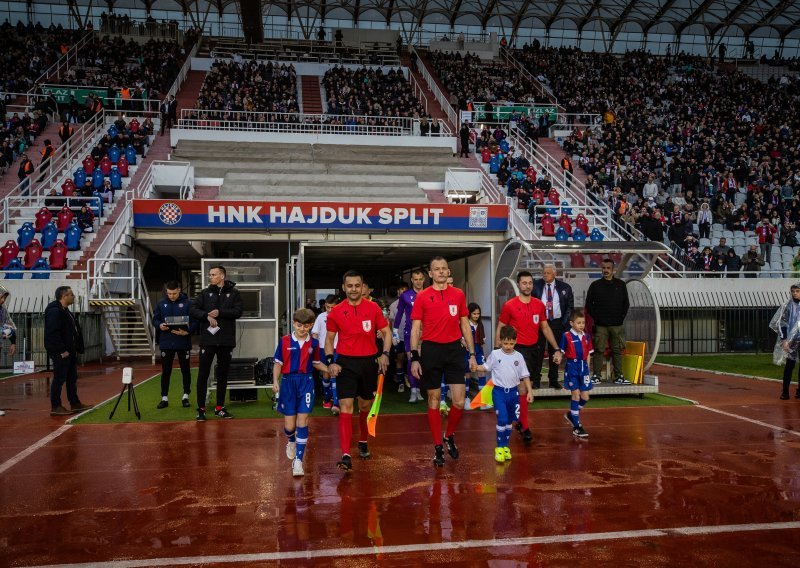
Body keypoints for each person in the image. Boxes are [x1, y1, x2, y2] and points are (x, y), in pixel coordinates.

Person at [410, 256, 477, 467]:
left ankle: (449, 435)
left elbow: (465, 325)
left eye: (444, 269)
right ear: (430, 274)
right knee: (434, 399)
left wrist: (473, 353)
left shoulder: (457, 294)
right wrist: (415, 356)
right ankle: (438, 445)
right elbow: (415, 329)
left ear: (448, 272)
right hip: (431, 350)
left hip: (454, 350)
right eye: (436, 269)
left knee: (458, 401)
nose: (440, 272)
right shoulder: (422, 296)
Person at [325, 270, 391, 471]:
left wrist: (385, 354)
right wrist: (330, 361)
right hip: (345, 363)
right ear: (343, 287)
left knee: (364, 407)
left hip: (368, 363)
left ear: (363, 287)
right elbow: (329, 340)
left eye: (357, 285)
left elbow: (387, 333)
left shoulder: (373, 308)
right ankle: (345, 454)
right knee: (346, 407)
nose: (354, 289)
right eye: (349, 286)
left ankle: (363, 441)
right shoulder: (336, 311)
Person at [496, 270, 563, 443]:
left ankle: (518, 419)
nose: (527, 286)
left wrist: (556, 347)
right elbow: (501, 327)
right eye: (524, 283)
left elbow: (545, 327)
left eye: (530, 283)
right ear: (518, 285)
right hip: (516, 351)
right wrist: (497, 351)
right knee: (522, 389)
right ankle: (525, 427)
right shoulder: (509, 305)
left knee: (528, 387)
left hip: (535, 350)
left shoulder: (539, 305)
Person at [273, 308, 329, 477]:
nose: (302, 329)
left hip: (306, 382)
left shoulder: (313, 344)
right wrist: (275, 381)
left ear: (311, 326)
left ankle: (298, 461)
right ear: (293, 324)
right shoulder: (284, 341)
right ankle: (291, 440)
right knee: (289, 426)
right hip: (288, 383)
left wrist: (329, 369)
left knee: (303, 420)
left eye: (306, 326)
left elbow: (316, 362)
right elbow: (278, 363)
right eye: (299, 325)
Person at [190, 265, 243, 421]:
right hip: (208, 340)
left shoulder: (234, 293)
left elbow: (238, 312)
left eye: (213, 274)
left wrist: (220, 312)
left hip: (226, 341)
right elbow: (192, 309)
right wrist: (206, 316)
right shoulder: (205, 293)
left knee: (222, 375)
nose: (210, 277)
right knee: (203, 375)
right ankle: (201, 409)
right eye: (210, 275)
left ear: (222, 276)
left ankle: (220, 408)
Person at [474, 326, 532, 464]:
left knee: (510, 421)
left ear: (516, 341)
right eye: (505, 343)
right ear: (500, 341)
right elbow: (486, 367)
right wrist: (476, 367)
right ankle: (499, 447)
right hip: (499, 392)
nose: (508, 346)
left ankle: (505, 446)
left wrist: (529, 391)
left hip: (513, 393)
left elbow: (525, 375)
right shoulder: (495, 355)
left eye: (511, 343)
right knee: (502, 418)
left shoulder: (519, 356)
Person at [44, 286, 92, 416]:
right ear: (64, 296)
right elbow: (52, 333)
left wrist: (77, 347)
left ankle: (75, 403)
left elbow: (73, 331)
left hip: (69, 351)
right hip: (61, 352)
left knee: (72, 378)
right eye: (71, 294)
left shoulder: (66, 311)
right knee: (59, 378)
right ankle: (56, 406)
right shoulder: (55, 311)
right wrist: (62, 350)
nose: (73, 296)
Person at [585, 258, 630, 385]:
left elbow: (626, 304)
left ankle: (619, 376)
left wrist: (620, 318)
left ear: (613, 269)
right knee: (599, 350)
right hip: (600, 326)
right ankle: (596, 376)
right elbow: (589, 305)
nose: (606, 270)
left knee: (617, 351)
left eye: (608, 268)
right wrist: (597, 318)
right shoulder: (595, 285)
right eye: (604, 268)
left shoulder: (621, 285)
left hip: (617, 325)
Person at [152, 281, 195, 409]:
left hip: (183, 341)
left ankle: (185, 396)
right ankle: (164, 398)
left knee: (185, 370)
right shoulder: (161, 303)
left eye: (174, 293)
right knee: (166, 371)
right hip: (166, 342)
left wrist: (187, 331)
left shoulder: (188, 303)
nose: (171, 296)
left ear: (179, 290)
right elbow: (155, 319)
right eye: (169, 293)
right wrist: (159, 325)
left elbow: (195, 321)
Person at [531, 264, 574, 389]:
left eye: (548, 273)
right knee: (538, 352)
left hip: (557, 323)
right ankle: (536, 380)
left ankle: (553, 380)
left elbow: (569, 308)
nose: (545, 275)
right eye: (544, 273)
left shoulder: (565, 287)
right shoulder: (536, 285)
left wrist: (564, 324)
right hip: (540, 323)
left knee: (555, 351)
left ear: (555, 273)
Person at [393, 269, 426, 403]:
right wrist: (395, 331)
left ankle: (419, 389)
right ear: (412, 280)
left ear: (424, 279)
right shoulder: (405, 295)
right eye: (415, 279)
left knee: (422, 361)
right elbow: (399, 313)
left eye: (420, 279)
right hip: (409, 333)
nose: (418, 282)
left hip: (426, 333)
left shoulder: (429, 293)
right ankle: (413, 391)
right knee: (412, 359)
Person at [560, 309, 593, 438]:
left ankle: (571, 415)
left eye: (583, 323)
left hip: (583, 367)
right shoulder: (566, 336)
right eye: (578, 323)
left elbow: (589, 354)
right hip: (572, 367)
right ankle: (577, 426)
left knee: (585, 397)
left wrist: (587, 369)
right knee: (576, 395)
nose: (581, 325)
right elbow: (561, 352)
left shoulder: (586, 336)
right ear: (571, 323)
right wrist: (558, 357)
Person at [311, 294, 339, 413]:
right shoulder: (321, 317)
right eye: (328, 307)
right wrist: (315, 346)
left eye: (332, 307)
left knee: (335, 375)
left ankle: (336, 403)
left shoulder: (342, 316)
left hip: (338, 349)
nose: (330, 310)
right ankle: (327, 398)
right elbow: (315, 333)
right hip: (323, 349)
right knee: (326, 374)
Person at [464, 302, 487, 410]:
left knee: (482, 371)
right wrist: (468, 347)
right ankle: (465, 399)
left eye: (478, 314)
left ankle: (482, 400)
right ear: (469, 314)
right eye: (474, 314)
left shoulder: (480, 325)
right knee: (467, 373)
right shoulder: (465, 324)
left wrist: (485, 354)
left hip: (479, 350)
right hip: (467, 351)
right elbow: (461, 339)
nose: (476, 316)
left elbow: (482, 342)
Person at [0, 287, 16, 416]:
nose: (3, 300)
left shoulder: (3, 310)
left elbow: (9, 325)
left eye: (4, 297)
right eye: (1, 297)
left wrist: (13, 342)